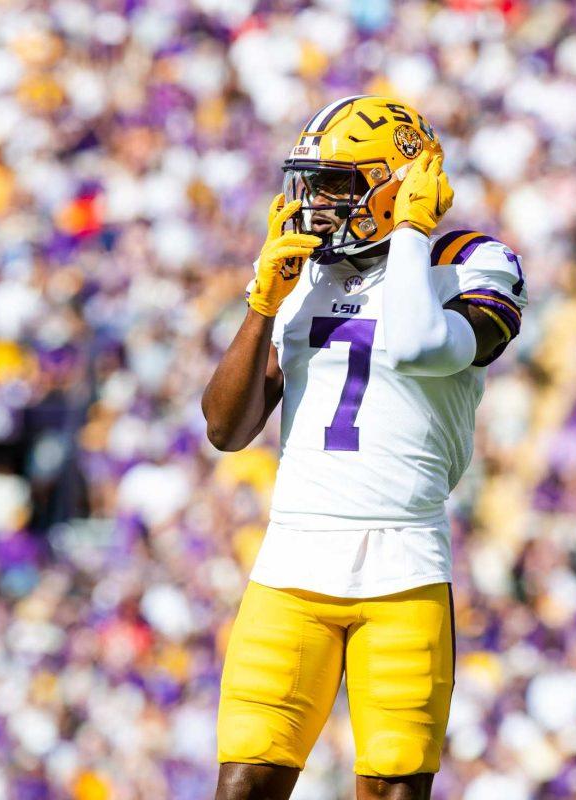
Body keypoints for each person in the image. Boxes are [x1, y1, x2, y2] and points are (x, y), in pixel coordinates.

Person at [201, 96, 529, 800]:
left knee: (391, 791)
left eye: (338, 183)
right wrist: (261, 303)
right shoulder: (306, 273)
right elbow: (226, 430)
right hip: (293, 557)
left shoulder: (471, 261)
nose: (317, 202)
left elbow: (415, 342)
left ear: (399, 180)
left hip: (402, 563)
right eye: (312, 183)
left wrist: (412, 227)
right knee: (244, 783)